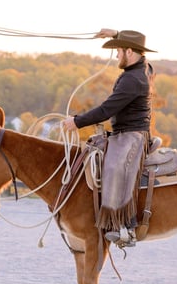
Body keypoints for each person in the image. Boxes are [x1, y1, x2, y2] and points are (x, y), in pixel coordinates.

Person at [62, 28, 156, 247]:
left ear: (130, 53)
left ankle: (126, 226)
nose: (115, 56)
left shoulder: (133, 80)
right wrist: (116, 35)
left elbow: (106, 110)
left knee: (114, 166)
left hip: (132, 135)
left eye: (119, 51)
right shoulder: (142, 67)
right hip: (124, 132)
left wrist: (76, 121)